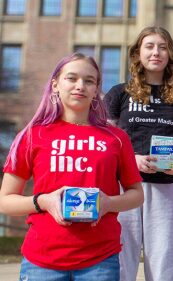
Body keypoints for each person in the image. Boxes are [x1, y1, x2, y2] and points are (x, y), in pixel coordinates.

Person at [0, 53, 144, 281]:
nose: (80, 86)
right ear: (55, 84)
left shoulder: (116, 138)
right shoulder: (31, 136)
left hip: (100, 260)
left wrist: (108, 203)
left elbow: (137, 195)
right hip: (41, 261)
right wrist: (43, 201)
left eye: (89, 81)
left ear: (97, 88)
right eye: (72, 78)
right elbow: (5, 201)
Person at [104, 26, 173, 281]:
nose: (156, 52)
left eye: (162, 47)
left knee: (165, 261)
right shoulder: (119, 94)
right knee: (121, 258)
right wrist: (131, 159)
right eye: (149, 46)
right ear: (137, 53)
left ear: (170, 54)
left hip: (168, 188)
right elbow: (107, 144)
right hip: (124, 186)